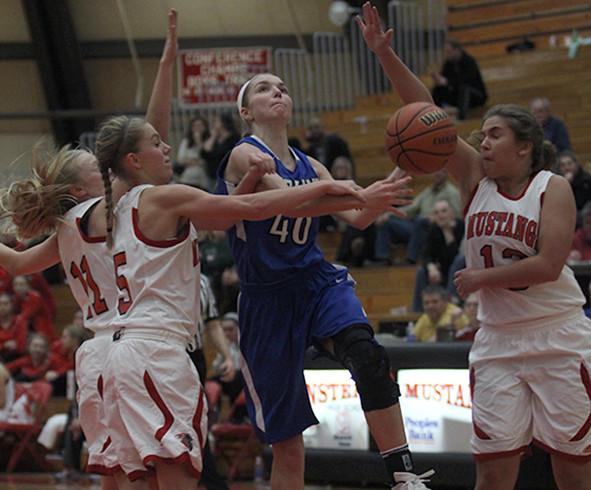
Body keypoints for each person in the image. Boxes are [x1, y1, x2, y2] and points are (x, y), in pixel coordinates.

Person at [357, 3, 591, 487]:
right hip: (498, 340)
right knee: (492, 473)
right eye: (481, 135)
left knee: (573, 471)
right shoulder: (472, 180)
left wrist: (480, 277)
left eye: (494, 135)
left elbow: (548, 265)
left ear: (523, 146)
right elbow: (427, 118)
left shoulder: (553, 187)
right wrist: (385, 55)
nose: (482, 143)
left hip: (559, 337)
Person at [217, 69, 433, 490]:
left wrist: (378, 195)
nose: (278, 91)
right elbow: (294, 205)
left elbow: (357, 218)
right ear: (246, 111)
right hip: (266, 301)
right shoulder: (245, 155)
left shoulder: (310, 163)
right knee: (289, 446)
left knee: (367, 355)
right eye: (264, 88)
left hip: (316, 283)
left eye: (283, 86)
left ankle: (404, 475)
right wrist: (355, 193)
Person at [374, 170, 461, 264]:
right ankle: (382, 258)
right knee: (386, 221)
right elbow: (411, 208)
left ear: (446, 174)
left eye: (441, 172)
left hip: (435, 229)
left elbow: (457, 215)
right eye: (435, 172)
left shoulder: (452, 192)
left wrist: (437, 218)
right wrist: (389, 214)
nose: (437, 174)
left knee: (421, 220)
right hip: (417, 227)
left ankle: (411, 258)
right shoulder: (427, 191)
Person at [411, 199, 464, 312]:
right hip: (441, 273)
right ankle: (417, 311)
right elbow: (425, 253)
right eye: (437, 213)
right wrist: (431, 267)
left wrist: (448, 233)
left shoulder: (461, 227)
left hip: (460, 274)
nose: (440, 215)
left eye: (444, 211)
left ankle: (450, 302)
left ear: (452, 213)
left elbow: (456, 257)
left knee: (459, 260)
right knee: (421, 271)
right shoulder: (434, 229)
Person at [430, 39, 487, 120]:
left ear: (457, 50)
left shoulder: (469, 61)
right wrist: (438, 79)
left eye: (449, 51)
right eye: (446, 52)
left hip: (475, 96)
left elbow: (467, 81)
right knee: (437, 90)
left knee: (464, 89)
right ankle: (435, 116)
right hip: (457, 95)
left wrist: (447, 82)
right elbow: (445, 79)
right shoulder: (448, 63)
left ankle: (462, 118)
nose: (447, 54)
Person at [556, 150, 591, 226]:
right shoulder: (556, 183)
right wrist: (566, 184)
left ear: (576, 164)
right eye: (563, 165)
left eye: (569, 163)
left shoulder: (587, 180)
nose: (567, 167)